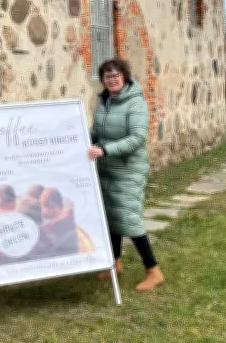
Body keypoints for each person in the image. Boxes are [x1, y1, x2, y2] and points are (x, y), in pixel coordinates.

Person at [88, 58, 164, 291]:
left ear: (124, 76)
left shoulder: (135, 102)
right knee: (111, 217)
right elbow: (97, 132)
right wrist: (79, 137)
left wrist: (105, 150)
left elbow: (137, 138)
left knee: (129, 220)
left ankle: (153, 271)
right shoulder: (104, 101)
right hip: (107, 168)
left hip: (129, 169)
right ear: (103, 80)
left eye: (116, 75)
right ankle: (114, 264)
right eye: (107, 76)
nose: (112, 79)